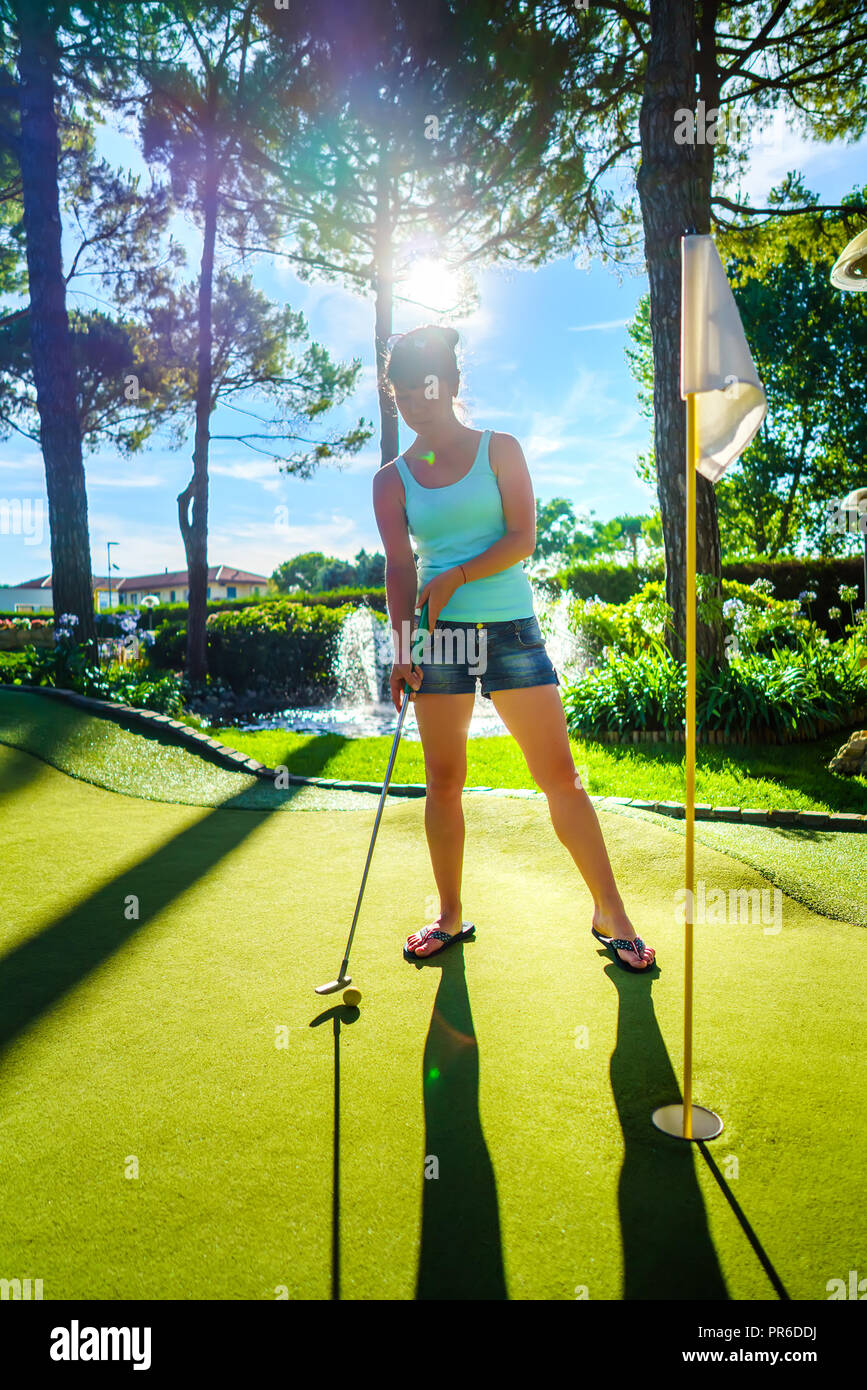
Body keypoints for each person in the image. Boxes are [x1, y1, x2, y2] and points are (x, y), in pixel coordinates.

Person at [372, 324, 656, 972]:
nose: (415, 405)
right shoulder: (390, 480)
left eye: (424, 389)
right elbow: (396, 568)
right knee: (442, 782)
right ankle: (447, 916)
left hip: (509, 630)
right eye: (401, 395)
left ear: (448, 383)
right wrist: (399, 648)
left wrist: (454, 576)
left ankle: (610, 912)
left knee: (558, 776)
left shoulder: (499, 449)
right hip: (435, 640)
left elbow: (523, 538)